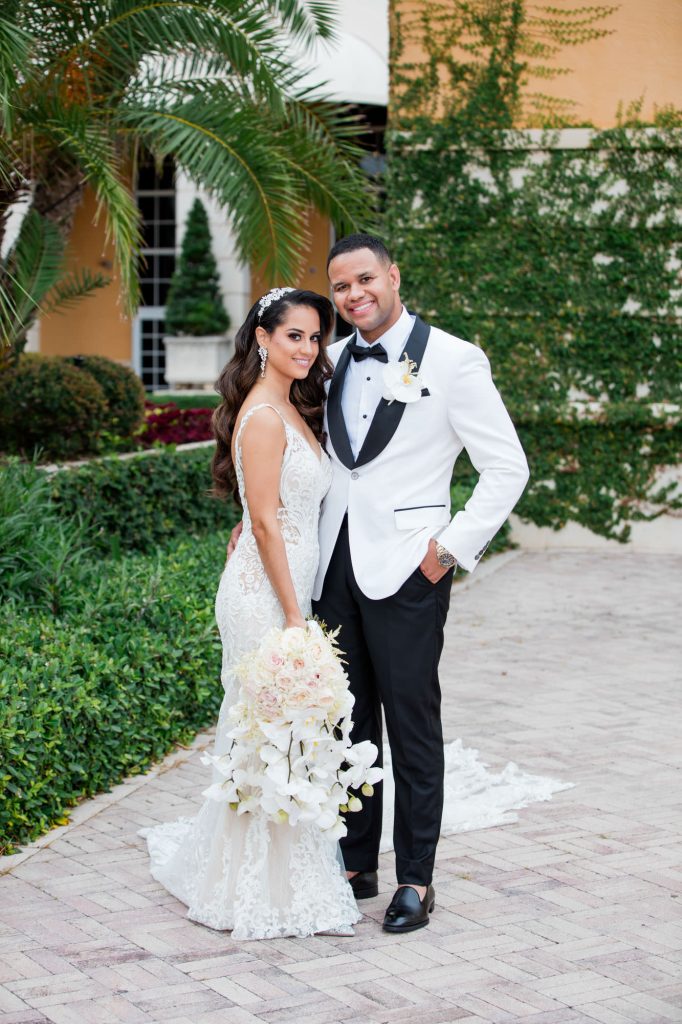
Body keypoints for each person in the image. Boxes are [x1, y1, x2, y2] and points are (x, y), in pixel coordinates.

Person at [310, 233, 530, 934]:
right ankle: (355, 861)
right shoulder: (332, 359)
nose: (353, 296)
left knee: (411, 725)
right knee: (346, 724)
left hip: (410, 569)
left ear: (393, 276)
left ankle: (415, 878)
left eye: (365, 280)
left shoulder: (454, 359)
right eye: (340, 286)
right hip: (332, 567)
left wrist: (448, 551)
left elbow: (507, 467)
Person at [140, 287, 360, 940]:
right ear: (263, 338)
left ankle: (271, 869)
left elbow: (263, 509)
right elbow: (264, 521)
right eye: (294, 335)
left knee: (278, 737)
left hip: (285, 584)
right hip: (267, 595)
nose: (308, 348)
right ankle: (253, 886)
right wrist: (296, 618)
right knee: (267, 735)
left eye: (316, 337)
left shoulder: (288, 406)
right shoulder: (264, 416)